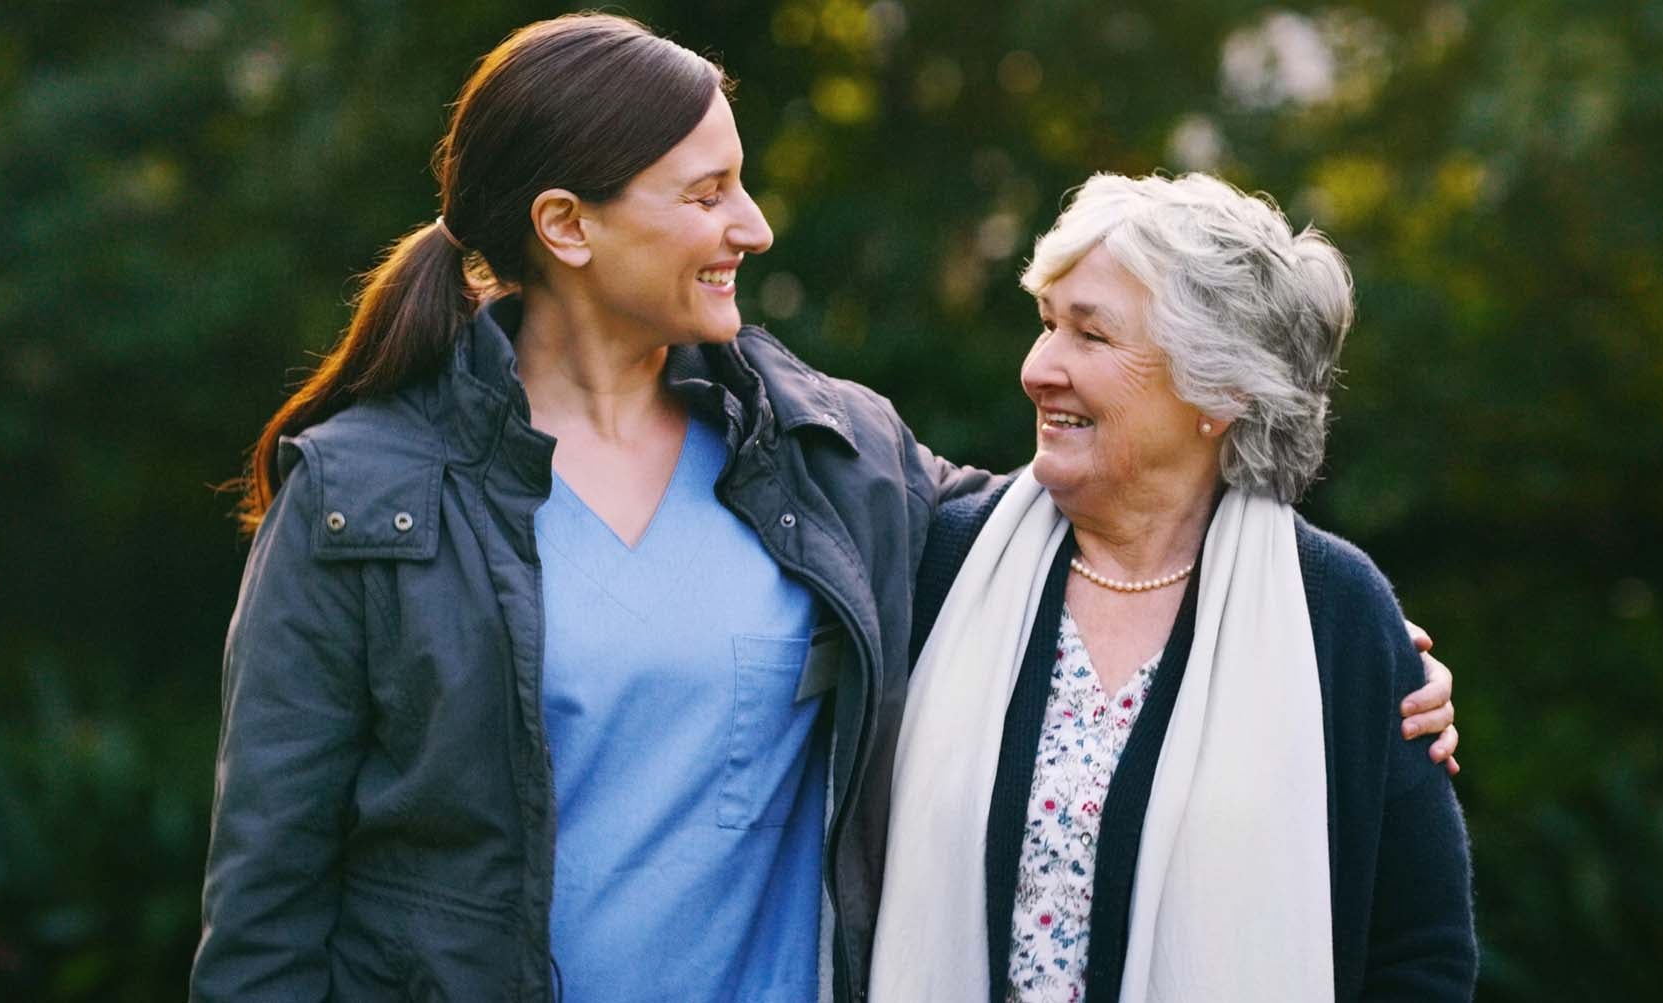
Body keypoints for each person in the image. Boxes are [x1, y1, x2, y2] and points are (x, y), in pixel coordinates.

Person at [191, 14, 1461, 1002]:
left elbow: (1107, 527)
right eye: (705, 195)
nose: (751, 225)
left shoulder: (825, 457)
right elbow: (264, 916)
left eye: (740, 183)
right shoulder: (359, 501)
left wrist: (1342, 649)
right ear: (566, 226)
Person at [873, 173, 1477, 1002]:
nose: (1038, 368)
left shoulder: (1334, 614)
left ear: (1219, 390)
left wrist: (1382, 667)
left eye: (1091, 335)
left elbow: (1421, 953)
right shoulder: (942, 560)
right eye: (1047, 324)